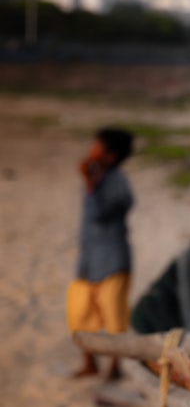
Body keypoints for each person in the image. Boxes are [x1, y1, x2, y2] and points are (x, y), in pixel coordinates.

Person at [66, 127, 135, 381]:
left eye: (96, 147)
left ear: (111, 155)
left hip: (113, 260)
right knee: (79, 313)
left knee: (114, 317)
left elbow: (99, 214)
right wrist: (90, 183)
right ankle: (90, 363)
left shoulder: (116, 182)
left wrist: (88, 183)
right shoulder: (96, 178)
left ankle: (114, 367)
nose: (90, 151)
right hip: (88, 260)